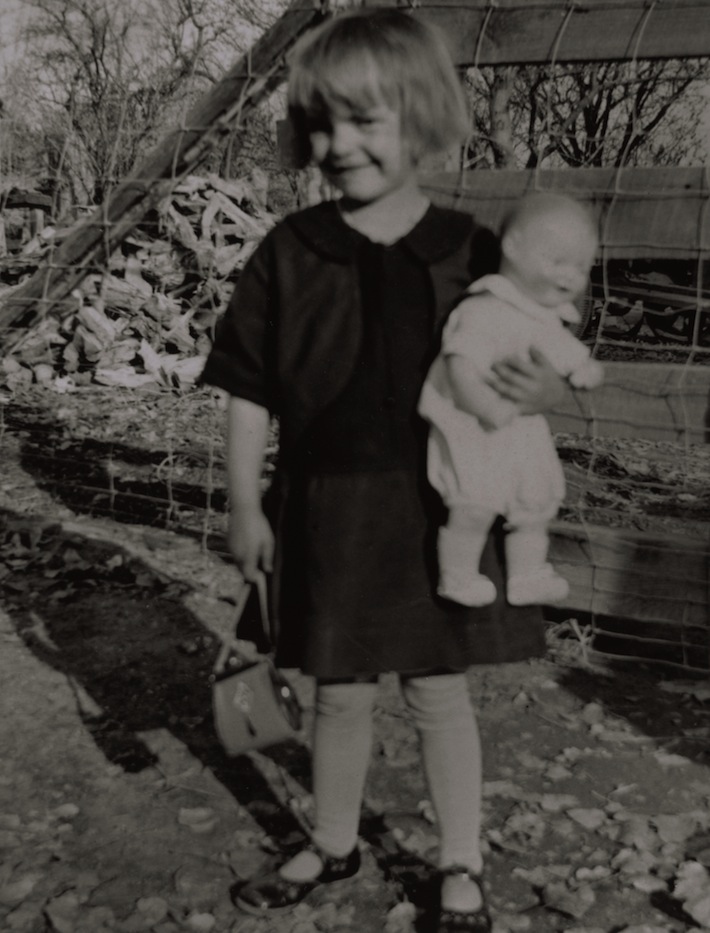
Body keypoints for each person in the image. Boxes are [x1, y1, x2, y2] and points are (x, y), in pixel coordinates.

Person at [201, 10, 565, 932]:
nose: (338, 144)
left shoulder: (475, 252)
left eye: (366, 121)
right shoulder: (289, 253)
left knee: (438, 690)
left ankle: (461, 861)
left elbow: (530, 371)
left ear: (425, 115)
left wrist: (532, 383)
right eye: (321, 123)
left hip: (440, 512)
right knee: (342, 687)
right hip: (325, 510)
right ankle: (332, 841)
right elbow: (248, 389)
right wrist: (245, 501)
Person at [419, 192, 603, 609]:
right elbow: (459, 365)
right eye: (558, 261)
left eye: (582, 266)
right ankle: (458, 575)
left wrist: (582, 368)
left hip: (519, 427)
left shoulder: (544, 313)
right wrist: (484, 405)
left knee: (534, 501)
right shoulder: (486, 308)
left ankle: (527, 575)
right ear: (513, 246)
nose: (572, 276)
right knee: (474, 502)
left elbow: (560, 349)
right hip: (472, 424)